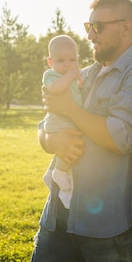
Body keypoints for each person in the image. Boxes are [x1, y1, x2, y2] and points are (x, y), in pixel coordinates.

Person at [26, 0, 132, 262]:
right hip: (59, 215)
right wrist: (51, 141)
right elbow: (44, 125)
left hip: (108, 224)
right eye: (88, 26)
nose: (90, 35)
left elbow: (121, 138)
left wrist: (68, 107)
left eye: (98, 27)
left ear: (126, 27)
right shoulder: (82, 74)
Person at [42, 34, 84, 209]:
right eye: (61, 61)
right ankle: (59, 172)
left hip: (69, 119)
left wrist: (79, 82)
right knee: (70, 144)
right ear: (50, 62)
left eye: (72, 60)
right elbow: (56, 88)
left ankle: (53, 172)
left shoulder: (72, 75)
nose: (67, 65)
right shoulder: (51, 75)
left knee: (74, 144)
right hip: (58, 121)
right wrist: (71, 76)